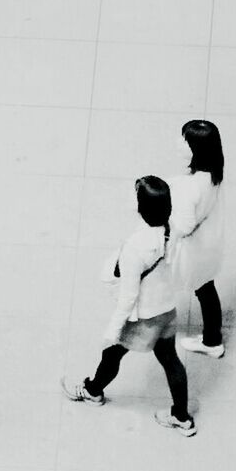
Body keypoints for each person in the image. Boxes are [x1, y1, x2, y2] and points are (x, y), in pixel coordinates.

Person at [61, 176, 196, 436]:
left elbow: (128, 296)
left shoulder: (135, 248)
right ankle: (181, 416)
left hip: (144, 318)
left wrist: (113, 330)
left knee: (112, 353)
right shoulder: (172, 228)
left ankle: (92, 391)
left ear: (140, 209)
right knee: (171, 360)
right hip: (166, 309)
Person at [169, 120, 225, 358]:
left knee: (201, 288)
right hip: (208, 244)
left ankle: (213, 342)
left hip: (195, 249)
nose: (179, 143)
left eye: (185, 140)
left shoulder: (192, 187)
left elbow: (184, 225)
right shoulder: (213, 172)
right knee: (206, 289)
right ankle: (212, 339)